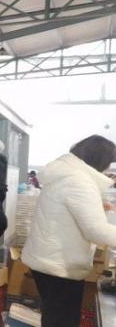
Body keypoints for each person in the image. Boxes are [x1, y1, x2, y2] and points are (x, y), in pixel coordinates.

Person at [21, 135, 116, 327]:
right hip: (59, 266)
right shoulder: (80, 181)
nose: (108, 169)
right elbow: (96, 230)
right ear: (99, 160)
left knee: (54, 318)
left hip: (48, 260)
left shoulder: (67, 175)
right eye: (109, 163)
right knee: (62, 322)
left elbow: (68, 211)